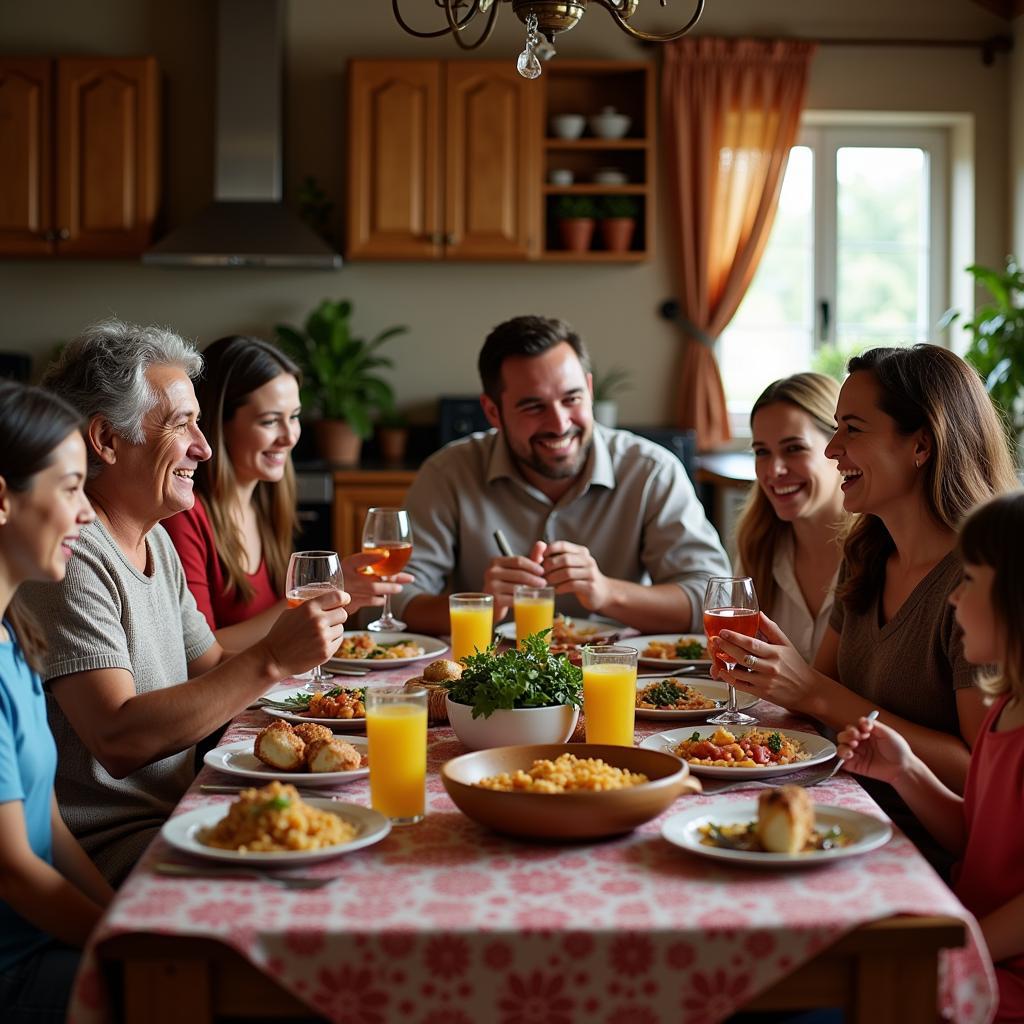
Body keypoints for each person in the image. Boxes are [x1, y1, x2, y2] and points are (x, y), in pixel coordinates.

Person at [17, 320, 349, 884]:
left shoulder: (155, 539)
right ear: (106, 440)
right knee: (311, 885)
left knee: (343, 844)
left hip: (175, 816)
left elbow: (214, 668)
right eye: (181, 424)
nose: (205, 446)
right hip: (108, 847)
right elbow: (118, 740)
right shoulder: (74, 555)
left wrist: (295, 668)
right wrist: (273, 658)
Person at [713, 345, 1018, 861]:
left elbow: (979, 767)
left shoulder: (980, 585)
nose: (833, 449)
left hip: (920, 852)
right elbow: (817, 698)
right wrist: (780, 675)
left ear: (921, 444)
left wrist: (812, 691)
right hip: (841, 817)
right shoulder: (867, 553)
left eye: (852, 429)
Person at [395, 315, 731, 635]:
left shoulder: (652, 471)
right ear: (492, 411)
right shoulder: (447, 474)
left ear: (589, 388)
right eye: (533, 406)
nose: (559, 425)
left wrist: (607, 593)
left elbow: (714, 599)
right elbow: (391, 602)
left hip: (620, 680)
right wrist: (480, 606)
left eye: (571, 399)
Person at [837, 491, 1024, 1021]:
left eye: (970, 581)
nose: (952, 599)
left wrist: (956, 942)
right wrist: (906, 771)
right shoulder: (1001, 713)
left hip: (1000, 968)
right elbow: (976, 838)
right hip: (966, 932)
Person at [164, 335, 411, 652]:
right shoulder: (185, 516)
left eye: (294, 417)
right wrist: (311, 603)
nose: (289, 437)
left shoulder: (264, 504)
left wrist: (330, 606)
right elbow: (199, 654)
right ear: (217, 424)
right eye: (270, 421)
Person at [0, 381, 115, 1023]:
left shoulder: (15, 634)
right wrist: (121, 950)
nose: (88, 513)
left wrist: (121, 924)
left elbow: (50, 825)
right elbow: (14, 871)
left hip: (44, 942)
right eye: (71, 488)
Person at [735, 373, 845, 661]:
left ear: (839, 448)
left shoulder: (882, 550)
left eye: (794, 448)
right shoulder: (758, 546)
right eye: (762, 452)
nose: (774, 470)